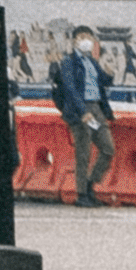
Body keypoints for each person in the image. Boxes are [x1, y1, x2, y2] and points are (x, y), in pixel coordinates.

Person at [51, 20, 118, 206]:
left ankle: (90, 184)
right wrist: (82, 111)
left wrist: (110, 72)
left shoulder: (92, 62)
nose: (86, 41)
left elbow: (103, 81)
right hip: (80, 111)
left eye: (89, 37)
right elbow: (70, 88)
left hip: (96, 109)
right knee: (83, 151)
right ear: (74, 42)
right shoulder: (68, 62)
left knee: (107, 147)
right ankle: (82, 194)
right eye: (82, 38)